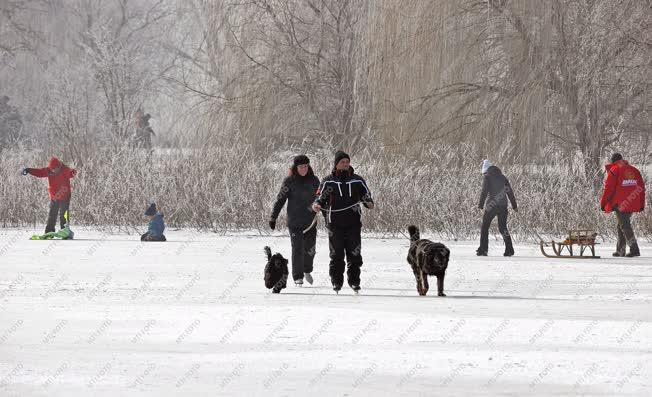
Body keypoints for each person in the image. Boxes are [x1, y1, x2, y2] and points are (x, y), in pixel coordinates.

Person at [313, 151, 374, 293]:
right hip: (334, 223)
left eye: (347, 162)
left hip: (353, 223)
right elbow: (320, 198)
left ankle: (354, 282)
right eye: (342, 162)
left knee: (354, 254)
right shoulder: (328, 181)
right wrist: (316, 205)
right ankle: (336, 282)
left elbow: (366, 195)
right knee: (336, 254)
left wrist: (368, 202)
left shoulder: (357, 180)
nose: (345, 164)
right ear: (336, 164)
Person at [269, 155, 320, 286]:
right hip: (295, 222)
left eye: (306, 166)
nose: (304, 169)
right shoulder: (289, 181)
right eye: (301, 167)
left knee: (310, 249)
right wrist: (273, 217)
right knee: (297, 249)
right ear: (295, 168)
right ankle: (298, 277)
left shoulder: (314, 180)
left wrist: (327, 217)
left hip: (311, 221)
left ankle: (307, 269)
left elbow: (321, 200)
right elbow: (280, 200)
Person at [600, 153, 645, 257]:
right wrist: (641, 203)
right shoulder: (634, 170)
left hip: (620, 204)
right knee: (621, 225)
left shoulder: (615, 170)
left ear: (613, 161)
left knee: (625, 226)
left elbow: (608, 189)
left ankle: (634, 249)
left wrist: (603, 203)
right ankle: (620, 250)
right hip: (632, 202)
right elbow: (641, 188)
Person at [22, 157, 77, 233]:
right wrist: (29, 170)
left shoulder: (64, 169)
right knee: (52, 214)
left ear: (58, 166)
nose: (53, 170)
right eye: (51, 169)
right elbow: (40, 172)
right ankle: (49, 231)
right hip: (54, 197)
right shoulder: (49, 170)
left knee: (64, 214)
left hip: (65, 196)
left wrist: (73, 172)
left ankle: (65, 230)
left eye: (54, 168)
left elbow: (70, 172)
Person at [477, 159, 517, 257]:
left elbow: (484, 191)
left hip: (492, 205)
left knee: (485, 227)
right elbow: (509, 191)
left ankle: (483, 250)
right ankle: (509, 250)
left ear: (485, 171)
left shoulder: (487, 177)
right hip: (503, 206)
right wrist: (514, 206)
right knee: (503, 228)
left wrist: (481, 205)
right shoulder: (503, 177)